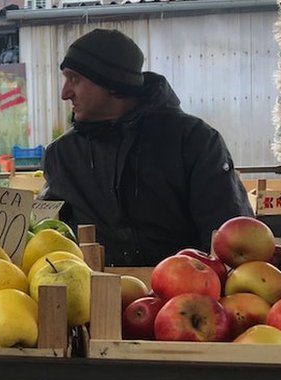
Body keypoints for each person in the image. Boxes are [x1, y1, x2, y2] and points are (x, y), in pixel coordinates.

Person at [40, 29, 253, 267]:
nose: (64, 93)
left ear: (111, 83)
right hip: (93, 297)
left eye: (75, 79)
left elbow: (230, 233)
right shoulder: (62, 155)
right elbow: (47, 233)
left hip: (186, 295)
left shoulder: (194, 141)